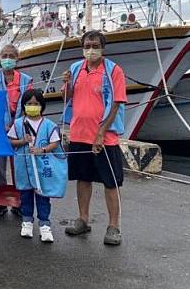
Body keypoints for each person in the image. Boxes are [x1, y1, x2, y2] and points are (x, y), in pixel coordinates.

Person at [62, 30, 127, 245]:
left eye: (94, 46)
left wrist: (101, 132)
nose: (90, 50)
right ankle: (83, 219)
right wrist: (67, 84)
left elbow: (116, 102)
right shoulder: (75, 69)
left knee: (111, 182)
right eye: (87, 46)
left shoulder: (113, 71)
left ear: (102, 48)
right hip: (79, 133)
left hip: (104, 137)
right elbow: (68, 98)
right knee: (83, 178)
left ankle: (114, 226)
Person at [0, 44, 33, 217]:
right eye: (4, 56)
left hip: (19, 126)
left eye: (11, 56)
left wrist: (17, 124)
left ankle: (20, 200)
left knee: (20, 166)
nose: (7, 59)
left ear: (17, 58)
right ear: (0, 58)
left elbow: (30, 104)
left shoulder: (26, 80)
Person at [7, 89, 67, 243]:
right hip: (24, 167)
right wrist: (22, 141)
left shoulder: (49, 125)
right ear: (24, 105)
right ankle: (27, 221)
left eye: (35, 104)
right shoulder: (19, 124)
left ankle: (44, 225)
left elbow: (55, 142)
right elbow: (10, 141)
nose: (32, 106)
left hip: (42, 167)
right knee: (25, 195)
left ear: (42, 105)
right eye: (28, 104)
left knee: (43, 196)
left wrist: (43, 150)